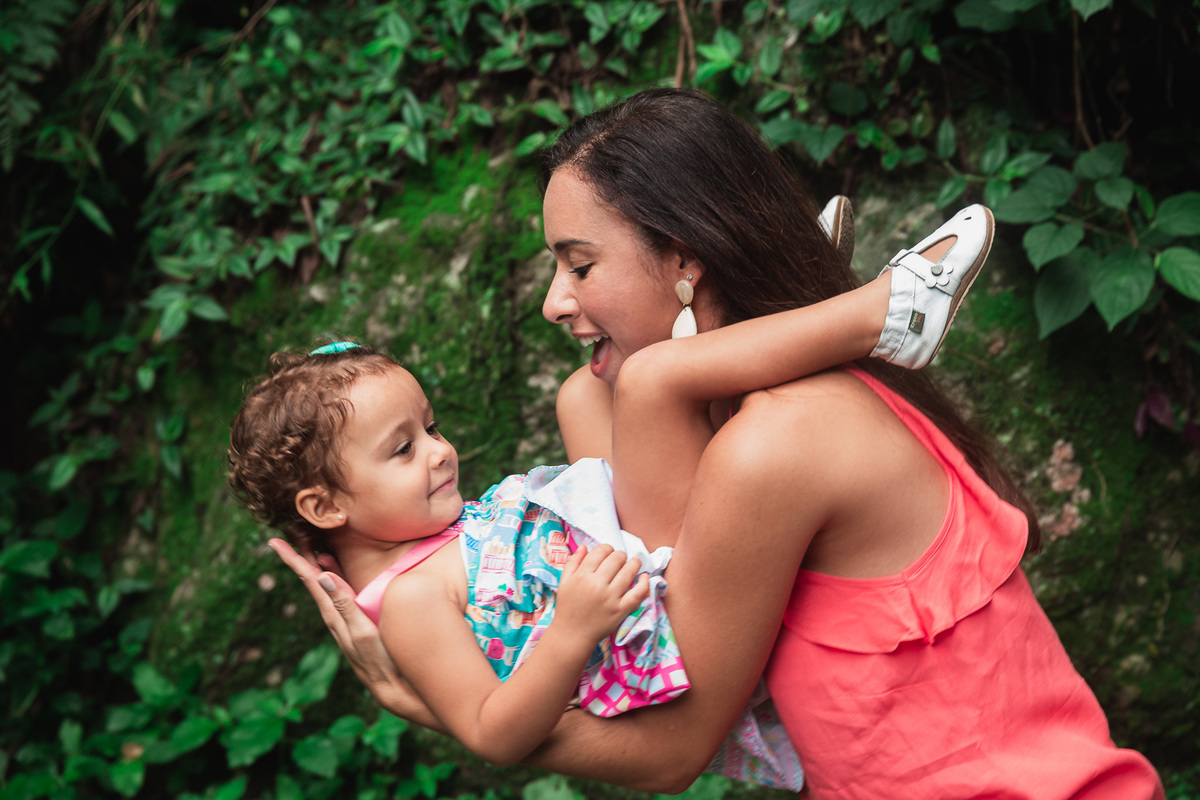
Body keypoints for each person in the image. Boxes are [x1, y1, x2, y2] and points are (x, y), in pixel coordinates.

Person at [272, 88, 1164, 799]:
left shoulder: (772, 446)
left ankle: (874, 306)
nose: (553, 301)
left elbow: (671, 753)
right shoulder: (765, 419)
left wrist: (429, 702)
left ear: (687, 259)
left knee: (639, 385)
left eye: (580, 265)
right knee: (594, 392)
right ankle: (782, 316)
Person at [235, 213, 978, 779]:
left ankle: (761, 320)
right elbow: (494, 732)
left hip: (626, 562)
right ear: (325, 509)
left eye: (430, 428)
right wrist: (569, 632)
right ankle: (869, 316)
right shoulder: (408, 603)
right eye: (404, 449)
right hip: (655, 632)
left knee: (586, 393)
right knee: (651, 386)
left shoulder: (425, 545)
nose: (441, 451)